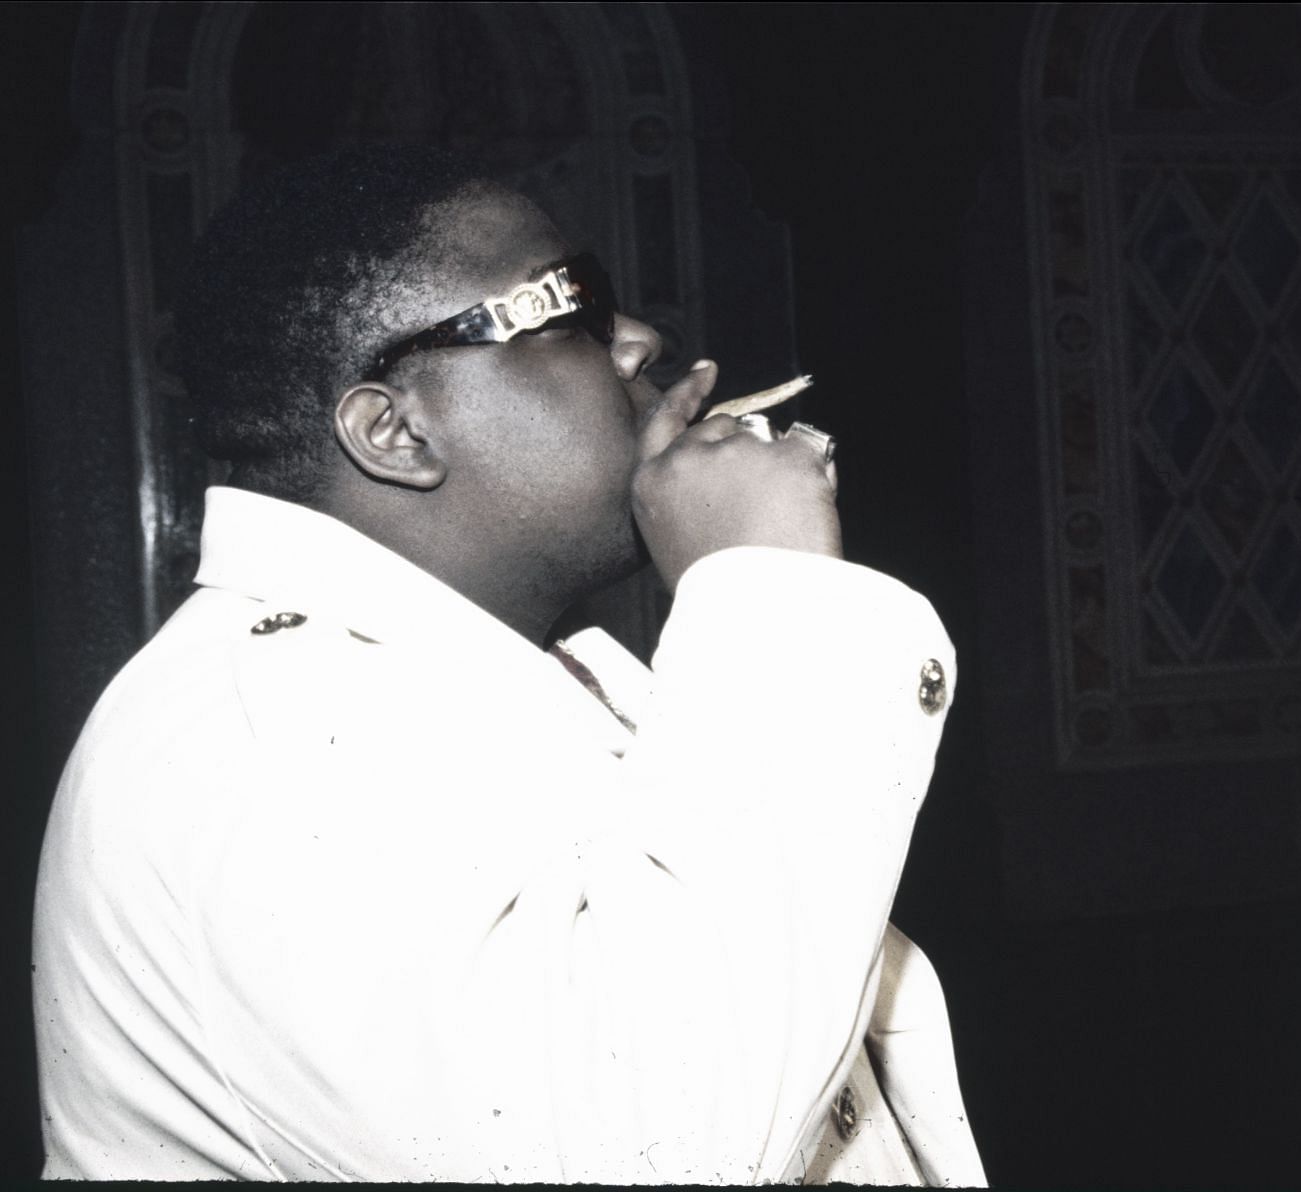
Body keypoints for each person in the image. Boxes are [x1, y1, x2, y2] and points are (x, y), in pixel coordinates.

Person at [33, 145, 985, 1186]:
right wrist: (769, 591)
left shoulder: (468, 677)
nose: (637, 340)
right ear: (392, 430)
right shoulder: (251, 742)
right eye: (568, 306)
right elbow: (646, 1150)